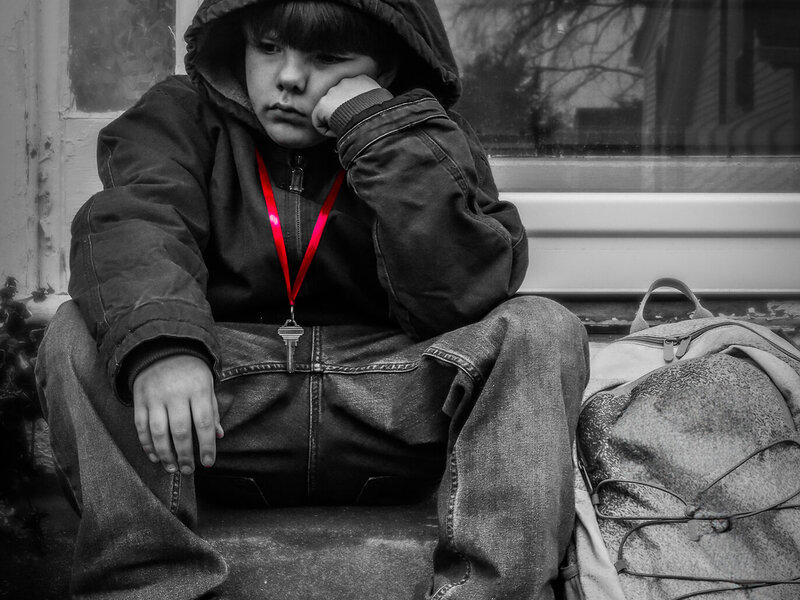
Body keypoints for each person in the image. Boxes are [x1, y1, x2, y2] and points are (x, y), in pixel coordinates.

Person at [35, 0, 590, 598]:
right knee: (76, 332)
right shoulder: (179, 116)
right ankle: (149, 586)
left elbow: (461, 295)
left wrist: (375, 128)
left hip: (386, 404)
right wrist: (164, 347)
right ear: (238, 43)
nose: (290, 78)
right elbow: (136, 222)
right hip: (220, 411)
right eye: (268, 48)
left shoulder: (426, 138)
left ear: (385, 64)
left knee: (542, 327)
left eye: (327, 58)